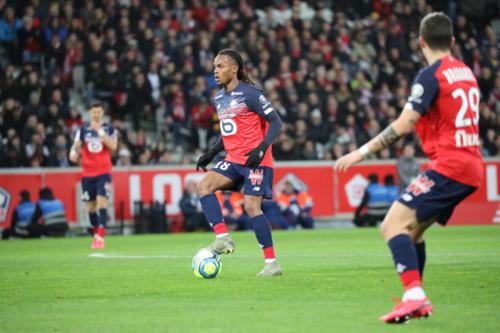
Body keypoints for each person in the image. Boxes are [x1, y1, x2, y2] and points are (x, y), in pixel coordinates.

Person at [334, 12, 484, 323]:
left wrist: (360, 153)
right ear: (453, 41)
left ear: (421, 42)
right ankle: (415, 298)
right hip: (471, 165)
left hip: (450, 165)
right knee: (413, 231)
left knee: (391, 225)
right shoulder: (467, 73)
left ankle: (415, 296)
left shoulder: (431, 75)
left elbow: (403, 125)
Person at [195, 48, 283, 277]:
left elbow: (275, 122)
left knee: (252, 207)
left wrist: (262, 149)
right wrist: (211, 153)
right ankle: (223, 238)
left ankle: (272, 263)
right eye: (214, 67)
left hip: (257, 161)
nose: (215, 71)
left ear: (234, 69)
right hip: (233, 159)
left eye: (221, 66)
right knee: (204, 186)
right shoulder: (220, 97)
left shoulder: (251, 94)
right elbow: (228, 132)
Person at [69, 102, 117, 249]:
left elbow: (113, 147)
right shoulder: (83, 129)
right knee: (90, 207)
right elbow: (77, 144)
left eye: (98, 112)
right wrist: (73, 152)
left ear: (103, 112)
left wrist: (100, 132)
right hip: (88, 174)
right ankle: (97, 233)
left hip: (104, 172)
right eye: (94, 112)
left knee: (102, 203)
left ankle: (100, 237)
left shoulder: (110, 128)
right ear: (90, 112)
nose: (96, 114)